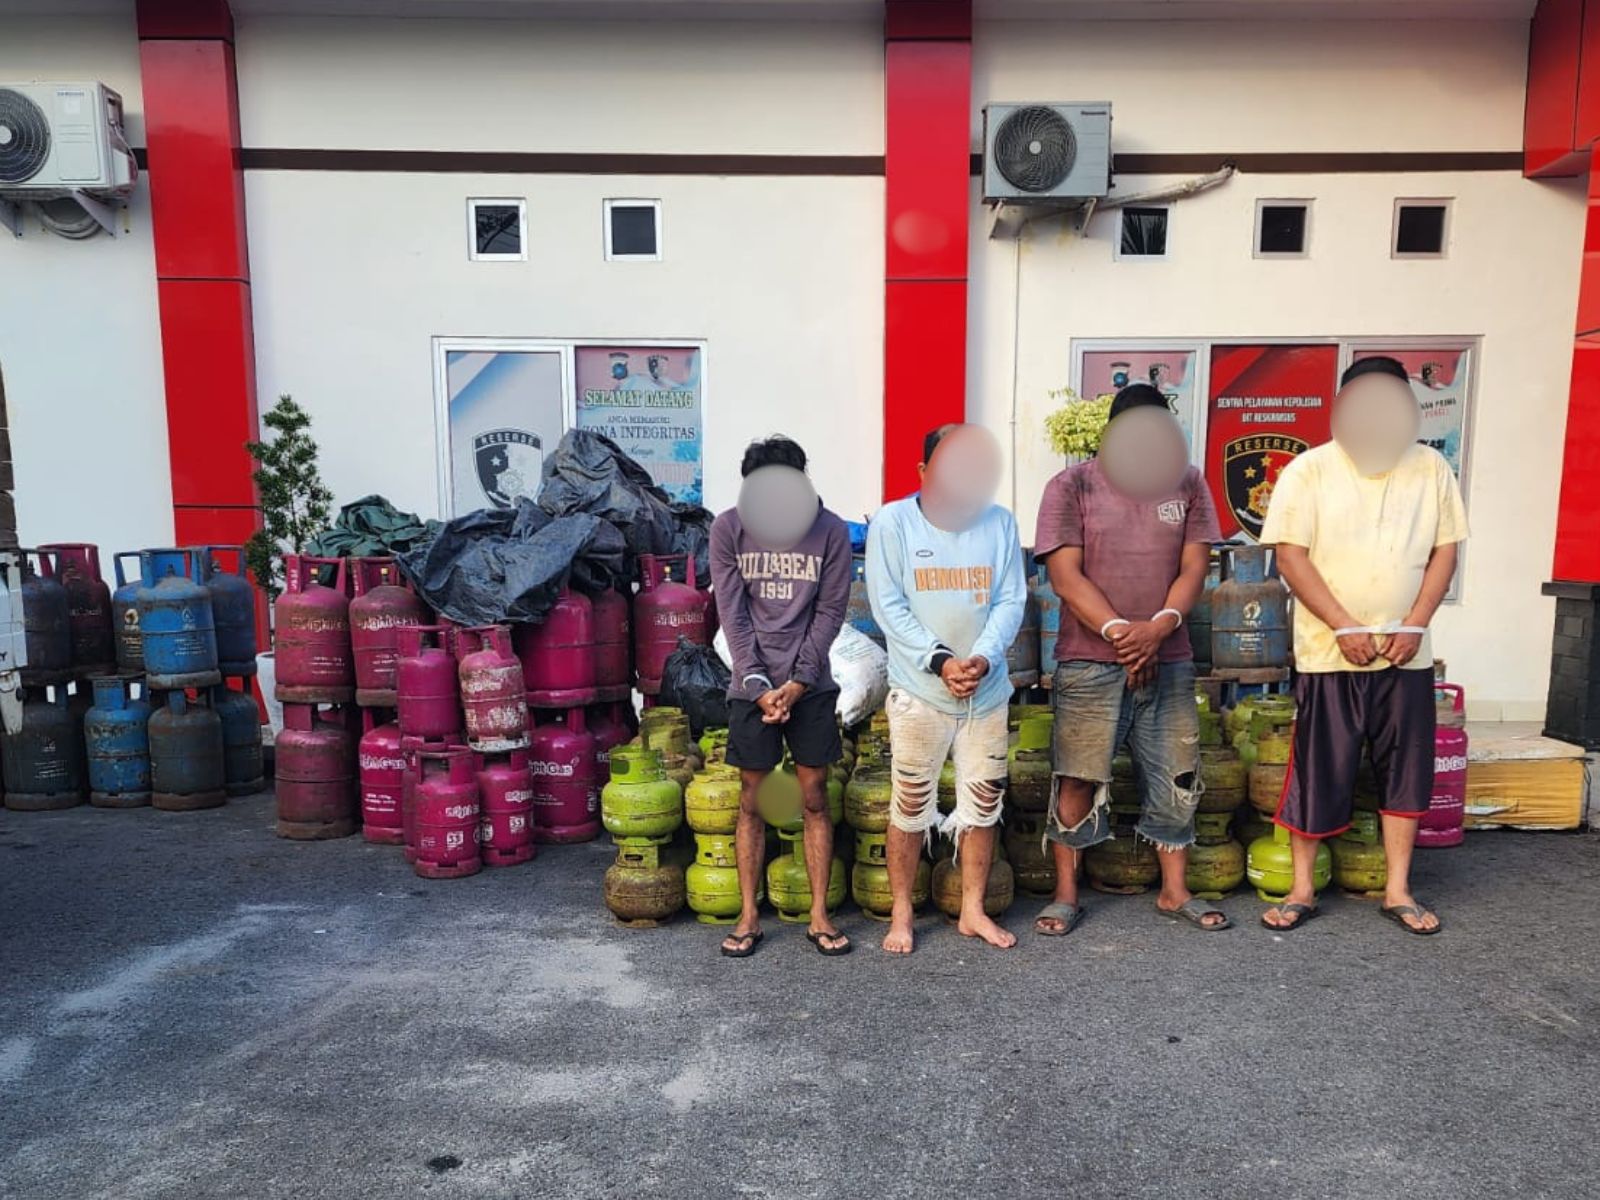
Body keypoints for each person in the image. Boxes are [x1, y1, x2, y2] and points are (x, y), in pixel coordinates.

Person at [1258, 355, 1468, 935]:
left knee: (1406, 768)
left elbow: (1445, 551)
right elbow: (1290, 557)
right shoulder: (1310, 469)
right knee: (1319, 768)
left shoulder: (1430, 467)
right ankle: (1302, 889)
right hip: (1329, 652)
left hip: (1406, 651)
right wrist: (1343, 625)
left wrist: (1416, 623)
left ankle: (1398, 890)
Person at [1032, 384, 1228, 936]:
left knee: (1176, 774)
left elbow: (1195, 568)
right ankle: (1066, 894)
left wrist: (1159, 629)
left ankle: (1174, 891)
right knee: (1077, 776)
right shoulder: (1071, 486)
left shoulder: (1188, 482)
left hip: (1170, 658)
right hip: (1089, 662)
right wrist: (1124, 634)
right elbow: (1065, 576)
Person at [866, 423, 1026, 954]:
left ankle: (972, 910)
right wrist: (939, 660)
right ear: (923, 471)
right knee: (910, 804)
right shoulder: (894, 523)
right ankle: (902, 913)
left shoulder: (999, 522)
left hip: (985, 689)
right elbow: (888, 605)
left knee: (984, 800)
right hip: (920, 692)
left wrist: (982, 658)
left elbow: (1010, 600)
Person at [708, 436, 853, 958]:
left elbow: (830, 612)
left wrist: (798, 683)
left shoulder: (830, 530)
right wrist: (758, 686)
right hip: (751, 687)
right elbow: (732, 615)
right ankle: (749, 916)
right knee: (751, 800)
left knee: (814, 797)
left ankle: (819, 915)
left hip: (809, 687)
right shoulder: (729, 528)